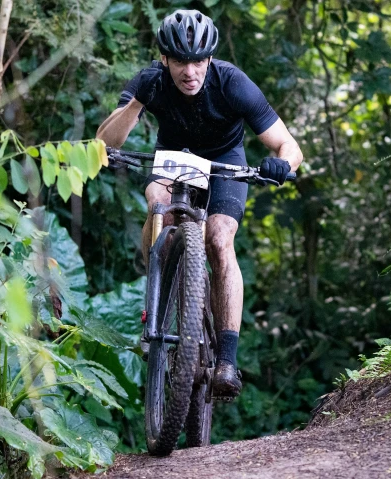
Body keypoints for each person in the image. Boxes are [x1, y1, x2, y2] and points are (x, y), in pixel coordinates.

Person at [96, 9, 303, 398]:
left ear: (209, 59)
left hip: (226, 160)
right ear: (164, 59)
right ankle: (156, 301)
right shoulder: (151, 82)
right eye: (179, 61)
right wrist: (137, 102)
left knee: (220, 239)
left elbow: (289, 145)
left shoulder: (232, 83)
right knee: (157, 201)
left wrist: (282, 163)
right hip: (175, 158)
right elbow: (106, 141)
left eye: (198, 61)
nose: (189, 72)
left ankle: (226, 360)